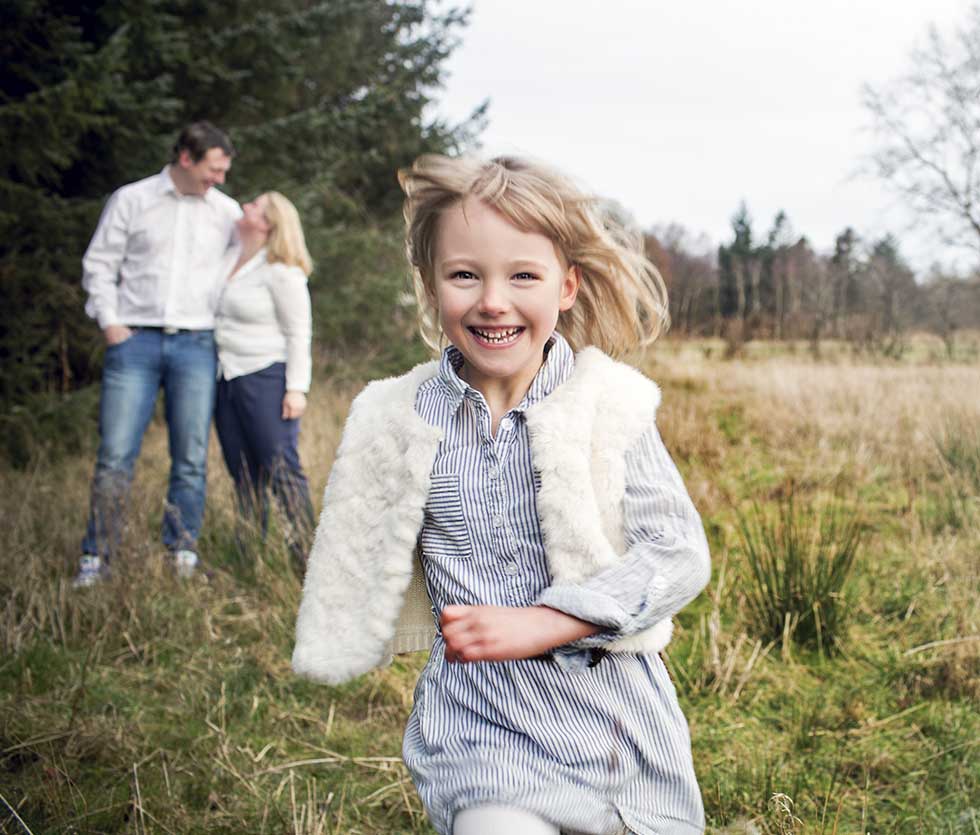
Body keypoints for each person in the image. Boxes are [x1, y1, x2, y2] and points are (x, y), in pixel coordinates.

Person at [293, 155, 711, 835]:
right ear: (431, 287)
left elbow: (678, 551)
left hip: (611, 721)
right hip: (483, 721)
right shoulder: (397, 417)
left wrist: (552, 619)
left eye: (523, 275)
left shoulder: (607, 404)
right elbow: (354, 543)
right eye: (465, 274)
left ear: (566, 286)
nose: (493, 299)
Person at [75, 121, 241, 587]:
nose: (220, 179)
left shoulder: (225, 213)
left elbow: (248, 263)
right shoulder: (132, 199)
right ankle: (97, 557)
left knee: (189, 456)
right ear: (186, 159)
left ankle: (181, 552)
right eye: (214, 169)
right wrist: (111, 323)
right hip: (136, 343)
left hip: (196, 345)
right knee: (115, 455)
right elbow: (100, 264)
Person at [213, 191, 315, 565]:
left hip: (267, 379)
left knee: (280, 468)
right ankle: (248, 556)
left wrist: (296, 389)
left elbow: (298, 332)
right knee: (242, 471)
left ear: (270, 224)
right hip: (226, 378)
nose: (246, 207)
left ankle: (304, 557)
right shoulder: (230, 258)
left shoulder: (282, 271)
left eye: (255, 207)